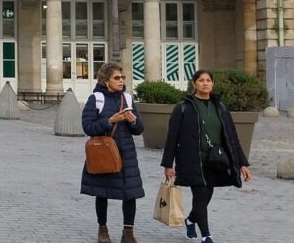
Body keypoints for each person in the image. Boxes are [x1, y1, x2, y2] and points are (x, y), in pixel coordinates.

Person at [160, 70, 252, 243]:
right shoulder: (183, 107)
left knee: (206, 197)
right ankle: (206, 236)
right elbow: (172, 137)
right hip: (192, 160)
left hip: (214, 161)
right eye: (201, 80)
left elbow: (232, 137)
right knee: (201, 196)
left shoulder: (220, 107)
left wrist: (242, 164)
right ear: (194, 84)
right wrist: (168, 165)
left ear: (212, 84)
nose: (205, 83)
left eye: (208, 80)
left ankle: (191, 220)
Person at [80, 62, 145, 243]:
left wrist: (133, 121)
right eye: (116, 78)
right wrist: (110, 120)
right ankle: (103, 229)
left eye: (122, 78)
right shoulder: (96, 99)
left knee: (130, 193)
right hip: (104, 153)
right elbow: (88, 127)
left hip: (127, 154)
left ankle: (128, 232)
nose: (121, 81)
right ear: (106, 80)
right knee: (102, 192)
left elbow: (139, 129)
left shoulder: (128, 98)